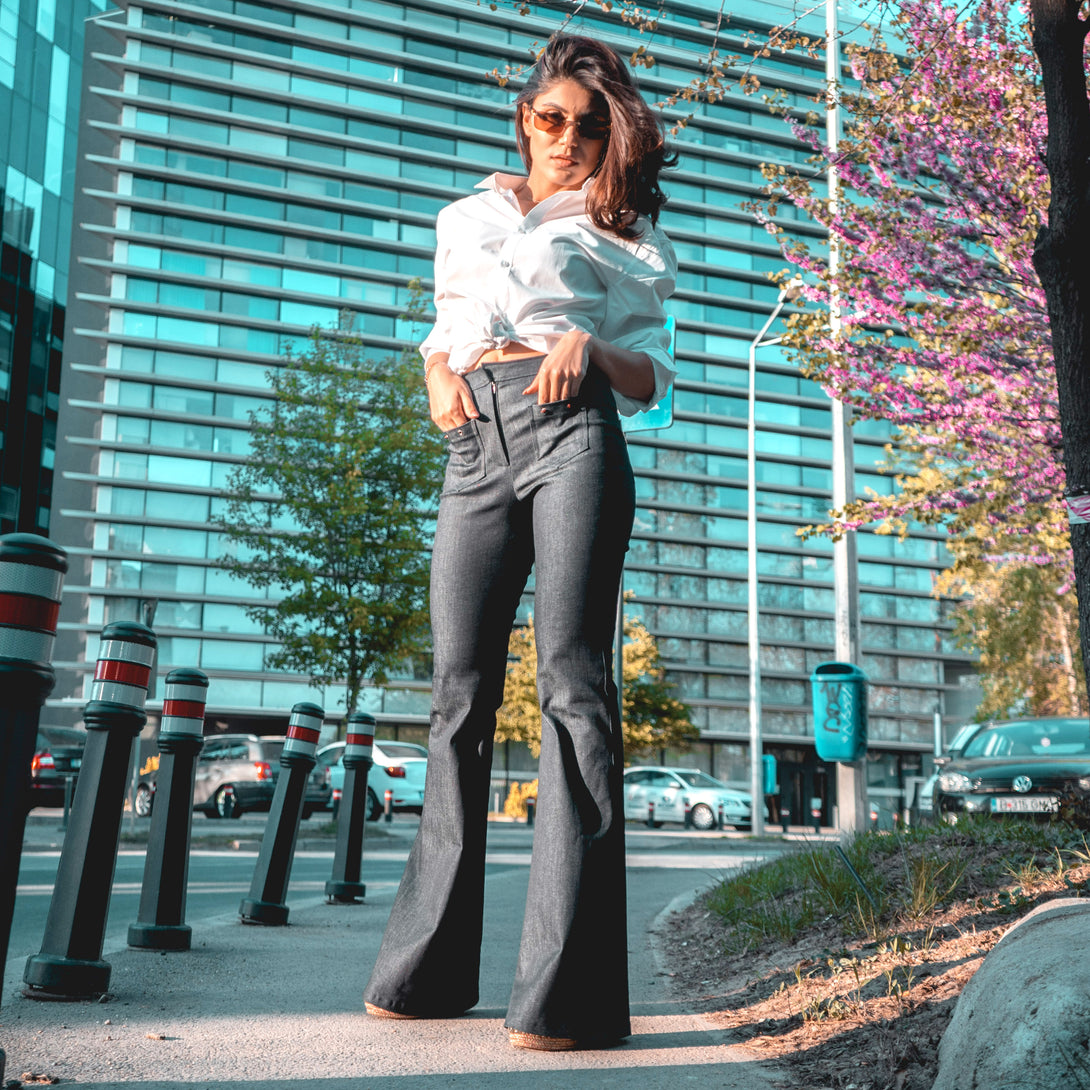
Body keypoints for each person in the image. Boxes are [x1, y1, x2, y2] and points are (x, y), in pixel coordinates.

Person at [362, 33, 677, 1052]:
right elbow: (444, 325)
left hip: (573, 431)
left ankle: (567, 997)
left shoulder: (623, 235)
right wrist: (435, 377)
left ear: (610, 136)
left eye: (590, 125)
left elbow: (653, 383)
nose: (568, 138)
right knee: (457, 692)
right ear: (522, 119)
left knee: (573, 685)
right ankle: (426, 972)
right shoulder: (462, 217)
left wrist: (591, 344)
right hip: (474, 444)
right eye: (552, 119)